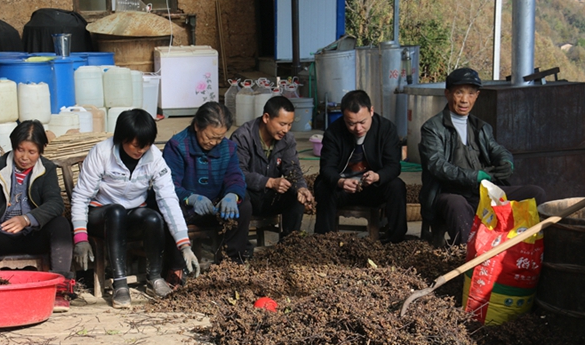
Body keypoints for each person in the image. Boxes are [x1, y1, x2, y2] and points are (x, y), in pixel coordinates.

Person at [70, 109, 200, 309]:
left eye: (146, 145)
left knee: (153, 217)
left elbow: (168, 198)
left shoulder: (154, 157)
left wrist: (184, 244)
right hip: (101, 215)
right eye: (136, 145)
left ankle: (154, 277)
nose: (141, 150)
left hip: (132, 214)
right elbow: (80, 196)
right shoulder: (102, 153)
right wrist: (80, 237)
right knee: (116, 212)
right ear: (122, 139)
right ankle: (120, 284)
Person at [0, 120, 74, 312]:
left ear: (41, 151)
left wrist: (27, 219)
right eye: (20, 150)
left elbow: (55, 203)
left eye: (31, 152)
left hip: (32, 235)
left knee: (60, 224)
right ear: (13, 147)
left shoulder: (47, 169)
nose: (24, 157)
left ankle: (60, 290)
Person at [419, 68, 546, 245]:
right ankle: (469, 257)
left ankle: (525, 248)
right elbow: (436, 164)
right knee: (456, 204)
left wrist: (506, 160)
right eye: (459, 93)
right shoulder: (432, 128)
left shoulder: (481, 127)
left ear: (477, 96)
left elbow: (496, 148)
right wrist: (473, 176)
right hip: (449, 194)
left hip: (483, 192)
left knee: (534, 193)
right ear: (447, 93)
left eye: (471, 94)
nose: (465, 100)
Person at [162, 102, 251, 284]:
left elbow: (235, 176)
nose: (214, 143)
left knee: (245, 204)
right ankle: (176, 268)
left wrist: (232, 195)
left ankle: (232, 264)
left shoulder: (228, 148)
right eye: (210, 137)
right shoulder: (177, 146)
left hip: (215, 207)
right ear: (197, 126)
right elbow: (168, 184)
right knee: (167, 209)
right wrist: (190, 198)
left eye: (219, 138)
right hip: (187, 208)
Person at [313, 90, 407, 243]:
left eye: (362, 122)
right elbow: (326, 168)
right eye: (351, 123)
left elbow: (393, 166)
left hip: (373, 188)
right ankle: (325, 240)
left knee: (397, 186)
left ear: (371, 111)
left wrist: (378, 176)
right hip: (343, 189)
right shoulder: (334, 132)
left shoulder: (386, 129)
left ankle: (395, 240)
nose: (358, 128)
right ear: (343, 116)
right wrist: (340, 182)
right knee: (324, 186)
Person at [231, 96, 314, 238]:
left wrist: (301, 187)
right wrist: (269, 182)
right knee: (237, 197)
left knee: (296, 199)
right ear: (266, 118)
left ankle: (288, 245)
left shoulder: (287, 140)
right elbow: (238, 173)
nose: (286, 129)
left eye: (289, 124)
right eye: (282, 124)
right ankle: (240, 248)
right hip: (248, 196)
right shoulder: (243, 137)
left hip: (269, 197)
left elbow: (292, 170)